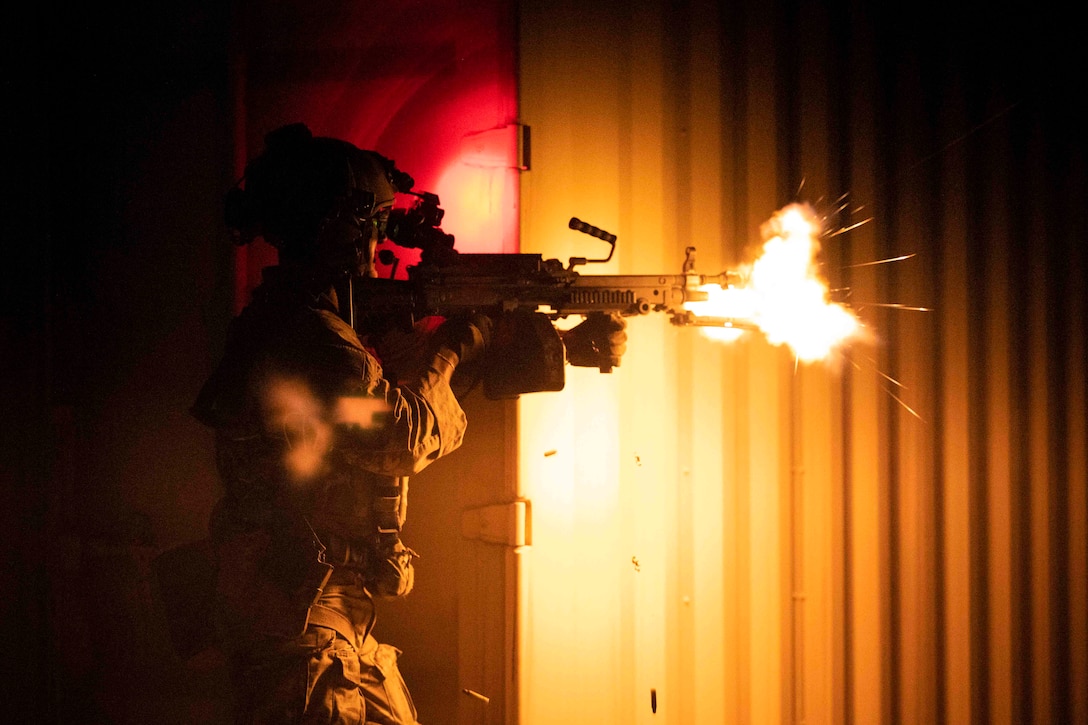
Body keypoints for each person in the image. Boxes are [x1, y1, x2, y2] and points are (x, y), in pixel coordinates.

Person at [191, 122, 626, 724]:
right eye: (372, 224)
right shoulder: (308, 339)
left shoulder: (313, 330)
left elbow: (389, 396)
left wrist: (548, 341)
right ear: (340, 228)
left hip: (327, 615)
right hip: (300, 624)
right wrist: (458, 344)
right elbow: (400, 436)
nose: (377, 242)